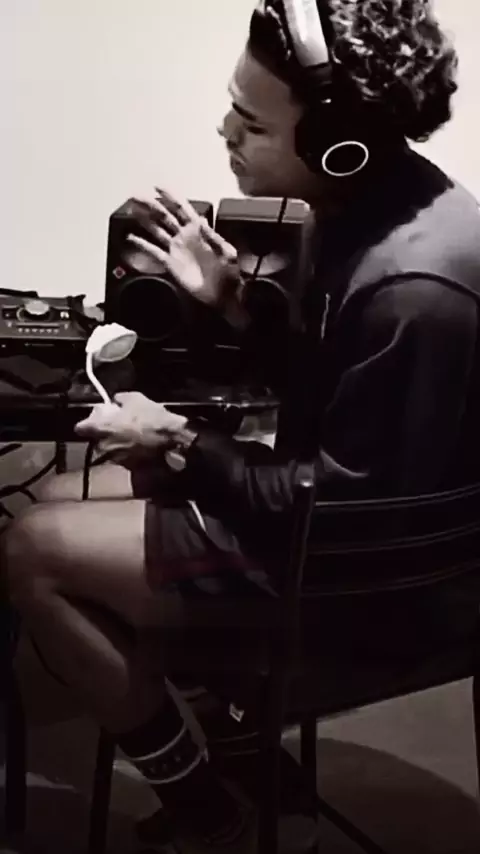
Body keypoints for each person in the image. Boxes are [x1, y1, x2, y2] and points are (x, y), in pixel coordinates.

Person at [4, 0, 480, 851]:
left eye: (253, 124)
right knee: (75, 497)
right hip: (344, 535)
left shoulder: (416, 288)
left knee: (34, 550)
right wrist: (233, 307)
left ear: (338, 142)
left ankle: (210, 814)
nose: (225, 132)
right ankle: (242, 755)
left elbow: (342, 515)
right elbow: (334, 389)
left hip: (371, 589)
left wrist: (181, 445)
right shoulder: (379, 204)